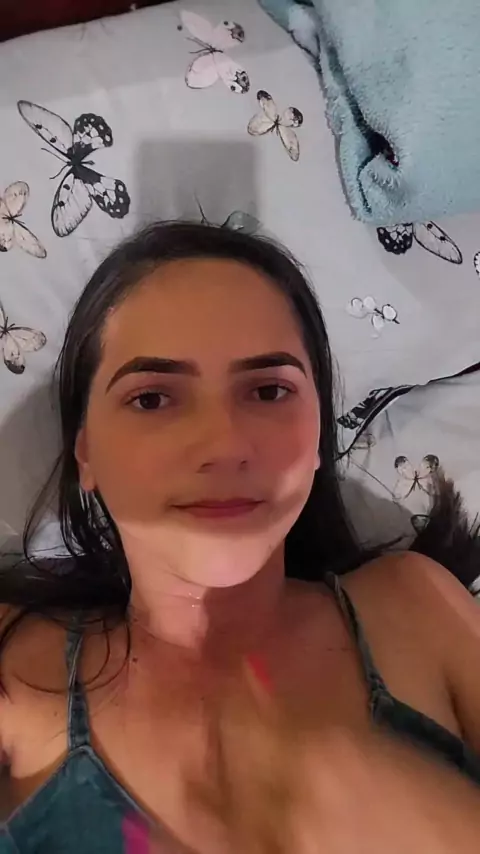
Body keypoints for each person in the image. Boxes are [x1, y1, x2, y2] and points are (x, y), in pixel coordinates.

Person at [0, 221, 479, 854]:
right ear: (84, 451)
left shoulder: (416, 608)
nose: (224, 444)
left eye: (269, 390)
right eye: (153, 399)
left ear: (319, 437)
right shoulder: (14, 667)